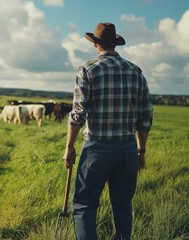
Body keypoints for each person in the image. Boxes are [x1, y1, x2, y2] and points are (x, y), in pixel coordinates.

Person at [63, 22, 153, 240]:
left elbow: (78, 112)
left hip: (96, 148)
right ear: (115, 44)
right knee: (123, 204)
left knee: (85, 204)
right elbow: (145, 116)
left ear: (95, 43)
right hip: (128, 150)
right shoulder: (135, 71)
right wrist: (141, 151)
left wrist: (69, 146)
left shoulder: (88, 70)